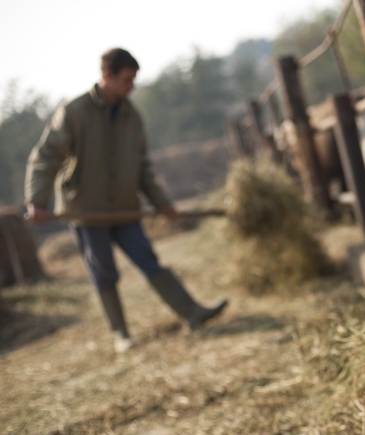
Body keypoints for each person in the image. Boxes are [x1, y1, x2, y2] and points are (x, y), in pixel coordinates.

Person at [24, 48, 227, 353]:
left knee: (148, 260)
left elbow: (142, 166)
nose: (132, 86)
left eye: (134, 79)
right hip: (87, 211)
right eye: (127, 79)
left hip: (124, 207)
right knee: (103, 270)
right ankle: (121, 334)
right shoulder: (75, 112)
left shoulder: (131, 114)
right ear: (107, 75)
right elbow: (45, 158)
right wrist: (36, 201)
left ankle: (192, 313)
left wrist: (162, 203)